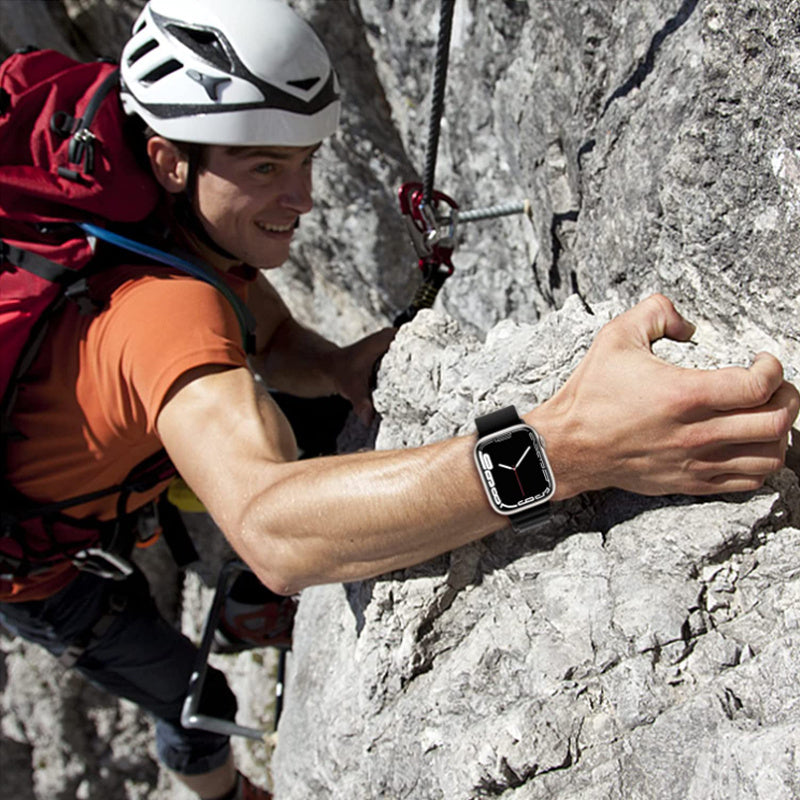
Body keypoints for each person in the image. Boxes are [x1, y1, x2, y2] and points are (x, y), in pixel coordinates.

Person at [0, 0, 797, 798]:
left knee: (306, 423)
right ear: (172, 160)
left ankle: (242, 620)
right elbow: (273, 530)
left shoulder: (170, 224)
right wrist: (573, 446)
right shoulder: (163, 309)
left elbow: (270, 341)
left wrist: (342, 365)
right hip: (39, 573)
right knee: (195, 702)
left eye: (306, 160)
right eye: (268, 169)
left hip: (105, 482)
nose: (304, 198)